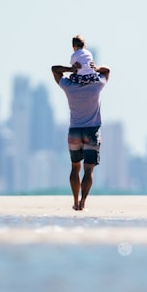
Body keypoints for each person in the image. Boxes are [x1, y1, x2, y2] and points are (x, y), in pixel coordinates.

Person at [51, 58, 111, 211]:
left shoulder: (70, 87)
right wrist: (96, 69)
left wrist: (71, 69)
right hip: (92, 131)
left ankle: (75, 201)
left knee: (74, 167)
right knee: (89, 170)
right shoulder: (97, 85)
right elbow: (107, 70)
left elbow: (54, 69)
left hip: (75, 131)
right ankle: (83, 202)